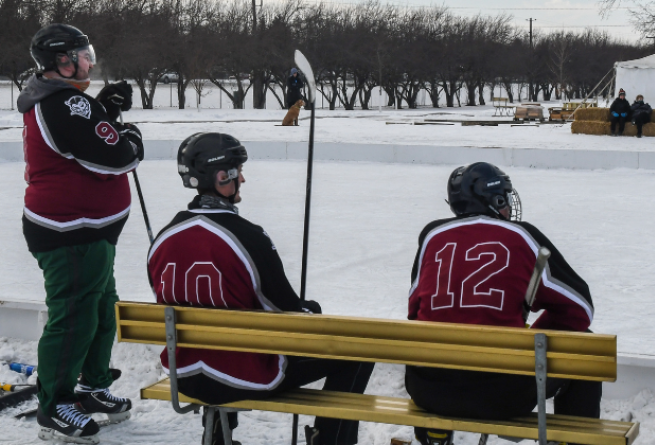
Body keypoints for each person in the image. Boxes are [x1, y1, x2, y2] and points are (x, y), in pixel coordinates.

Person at [147, 132, 374, 445]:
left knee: (225, 335)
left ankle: (215, 435)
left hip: (184, 374)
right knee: (358, 354)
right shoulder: (248, 237)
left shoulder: (164, 237)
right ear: (220, 177)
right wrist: (310, 309)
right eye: (237, 171)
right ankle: (330, 440)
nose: (242, 178)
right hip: (240, 377)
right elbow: (288, 313)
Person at [405, 162, 599, 445]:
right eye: (505, 197)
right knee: (586, 350)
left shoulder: (431, 236)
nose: (509, 205)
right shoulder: (522, 235)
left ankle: (435, 435)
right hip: (501, 396)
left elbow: (415, 312)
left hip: (428, 391)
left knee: (435, 346)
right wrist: (533, 336)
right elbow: (580, 310)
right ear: (494, 199)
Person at [18, 23, 143, 444]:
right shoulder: (62, 103)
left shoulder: (63, 99)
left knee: (101, 310)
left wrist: (104, 110)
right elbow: (117, 157)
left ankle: (92, 386)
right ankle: (54, 404)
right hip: (69, 232)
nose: (88, 61)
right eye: (81, 54)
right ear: (61, 61)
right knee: (73, 318)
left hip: (90, 232)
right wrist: (129, 135)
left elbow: (87, 136)